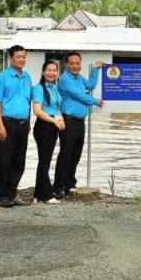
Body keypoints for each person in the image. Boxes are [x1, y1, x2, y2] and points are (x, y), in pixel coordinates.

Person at [53, 52, 105, 198]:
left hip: (79, 122)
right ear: (66, 65)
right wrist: (95, 101)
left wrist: (96, 69)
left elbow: (90, 85)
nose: (75, 66)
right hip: (68, 121)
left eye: (77, 63)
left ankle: (69, 185)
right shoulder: (64, 79)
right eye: (72, 63)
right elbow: (80, 95)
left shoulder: (79, 77)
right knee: (65, 155)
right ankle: (58, 187)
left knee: (75, 155)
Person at [0, 45, 33, 207]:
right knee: (4, 161)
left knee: (19, 162)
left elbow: (28, 101)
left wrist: (29, 122)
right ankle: (1, 196)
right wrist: (0, 126)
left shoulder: (27, 77)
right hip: (6, 123)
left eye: (24, 56)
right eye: (19, 57)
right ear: (11, 58)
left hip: (23, 125)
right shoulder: (2, 77)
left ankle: (12, 193)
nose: (22, 59)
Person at [32, 60, 65, 204]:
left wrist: (61, 119)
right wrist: (53, 121)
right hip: (44, 127)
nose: (52, 73)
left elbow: (56, 108)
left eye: (54, 70)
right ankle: (45, 195)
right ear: (43, 72)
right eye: (49, 70)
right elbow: (37, 110)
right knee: (44, 162)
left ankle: (38, 194)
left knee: (45, 161)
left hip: (53, 125)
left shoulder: (55, 87)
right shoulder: (39, 88)